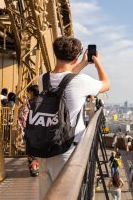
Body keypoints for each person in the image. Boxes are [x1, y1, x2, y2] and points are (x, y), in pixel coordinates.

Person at [37, 36, 109, 199]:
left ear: (56, 53)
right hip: (67, 149)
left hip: (45, 148)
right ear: (76, 57)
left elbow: (65, 79)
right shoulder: (81, 81)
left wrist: (81, 64)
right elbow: (106, 83)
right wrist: (96, 62)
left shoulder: (43, 79)